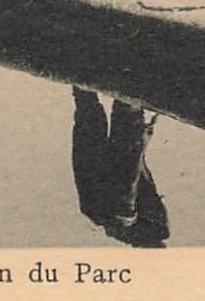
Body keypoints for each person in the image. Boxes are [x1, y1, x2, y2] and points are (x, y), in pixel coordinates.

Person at [70, 87, 169, 247]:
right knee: (89, 106)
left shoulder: (124, 216)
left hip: (115, 152)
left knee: (125, 104)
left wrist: (142, 137)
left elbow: (129, 174)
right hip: (97, 157)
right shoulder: (99, 214)